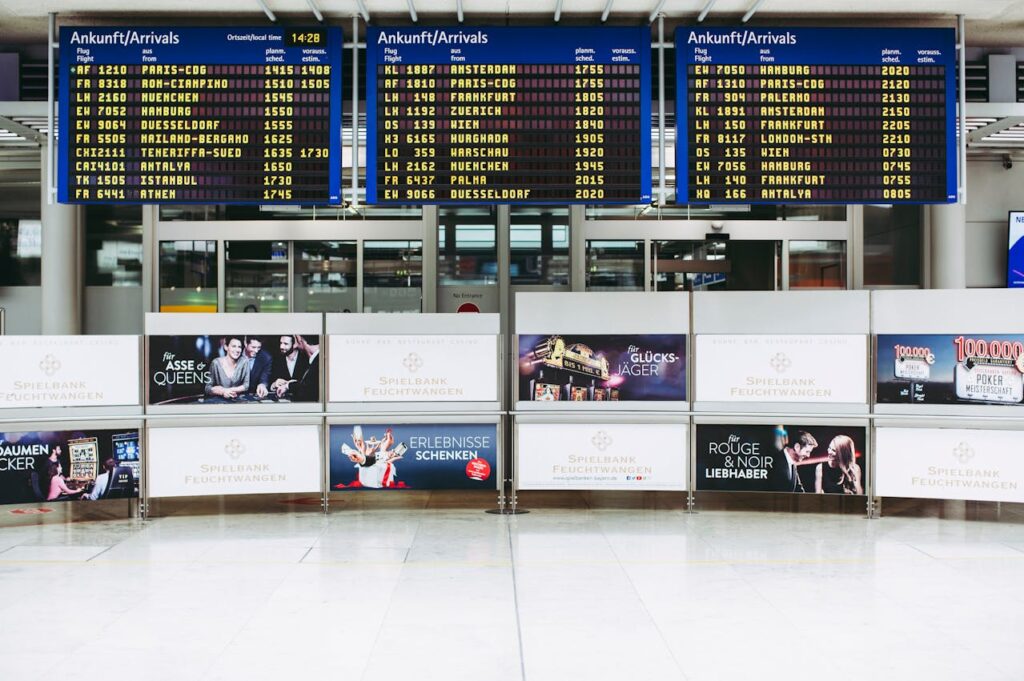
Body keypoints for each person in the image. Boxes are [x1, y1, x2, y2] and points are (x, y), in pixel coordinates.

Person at [278, 334, 320, 402]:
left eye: (297, 338)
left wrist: (288, 385)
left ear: (301, 341)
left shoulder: (319, 362)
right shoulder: (319, 358)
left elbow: (308, 390)